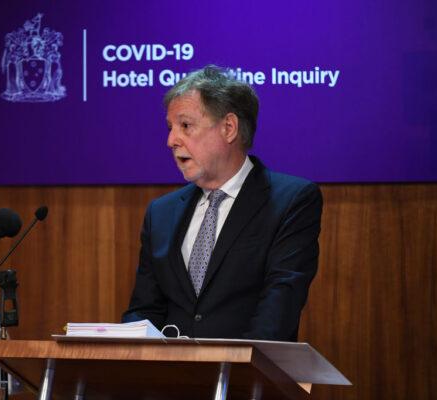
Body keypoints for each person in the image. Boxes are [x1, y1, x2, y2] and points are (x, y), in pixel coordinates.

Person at [121, 65, 322, 341]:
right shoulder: (161, 213)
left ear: (229, 128)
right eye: (170, 128)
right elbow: (145, 311)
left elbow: (278, 311)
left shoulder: (290, 201)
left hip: (247, 378)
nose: (170, 140)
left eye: (185, 126)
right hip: (168, 379)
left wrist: (235, 374)